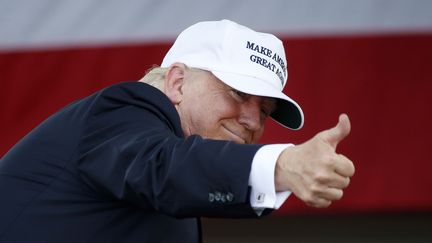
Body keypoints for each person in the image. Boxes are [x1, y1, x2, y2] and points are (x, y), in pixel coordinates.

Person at [0, 19, 354, 242]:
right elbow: (162, 166)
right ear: (177, 82)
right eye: (239, 93)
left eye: (264, 110)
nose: (252, 120)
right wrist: (280, 165)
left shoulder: (180, 192)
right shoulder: (123, 110)